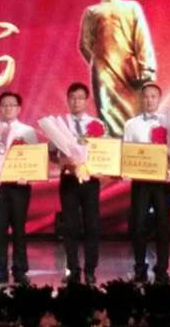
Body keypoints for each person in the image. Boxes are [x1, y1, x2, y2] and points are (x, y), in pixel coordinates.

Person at [79, 0, 157, 137]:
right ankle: (112, 147)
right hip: (104, 73)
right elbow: (85, 44)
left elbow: (141, 38)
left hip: (130, 71)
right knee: (107, 111)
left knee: (134, 111)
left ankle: (134, 145)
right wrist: (98, 63)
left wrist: (146, 67)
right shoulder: (92, 12)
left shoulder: (131, 7)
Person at [0, 91, 37, 285]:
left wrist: (28, 176)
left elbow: (34, 159)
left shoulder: (27, 131)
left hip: (20, 187)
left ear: (19, 109)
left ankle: (20, 271)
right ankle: (1, 272)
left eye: (12, 105)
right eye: (4, 105)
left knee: (19, 229)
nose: (8, 109)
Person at [123, 83, 170, 284]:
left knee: (163, 226)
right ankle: (139, 269)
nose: (149, 100)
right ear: (141, 99)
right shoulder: (131, 124)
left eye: (153, 96)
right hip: (141, 182)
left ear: (159, 99)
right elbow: (127, 151)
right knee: (138, 226)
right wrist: (126, 170)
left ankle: (162, 269)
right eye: (146, 96)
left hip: (162, 182)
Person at [54, 82, 102, 285]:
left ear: (87, 100)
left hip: (91, 181)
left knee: (92, 226)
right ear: (68, 100)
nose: (76, 102)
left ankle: (90, 270)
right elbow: (52, 153)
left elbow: (105, 151)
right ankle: (72, 269)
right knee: (70, 227)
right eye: (72, 98)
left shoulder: (97, 124)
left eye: (80, 98)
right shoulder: (60, 124)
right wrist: (63, 160)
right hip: (69, 180)